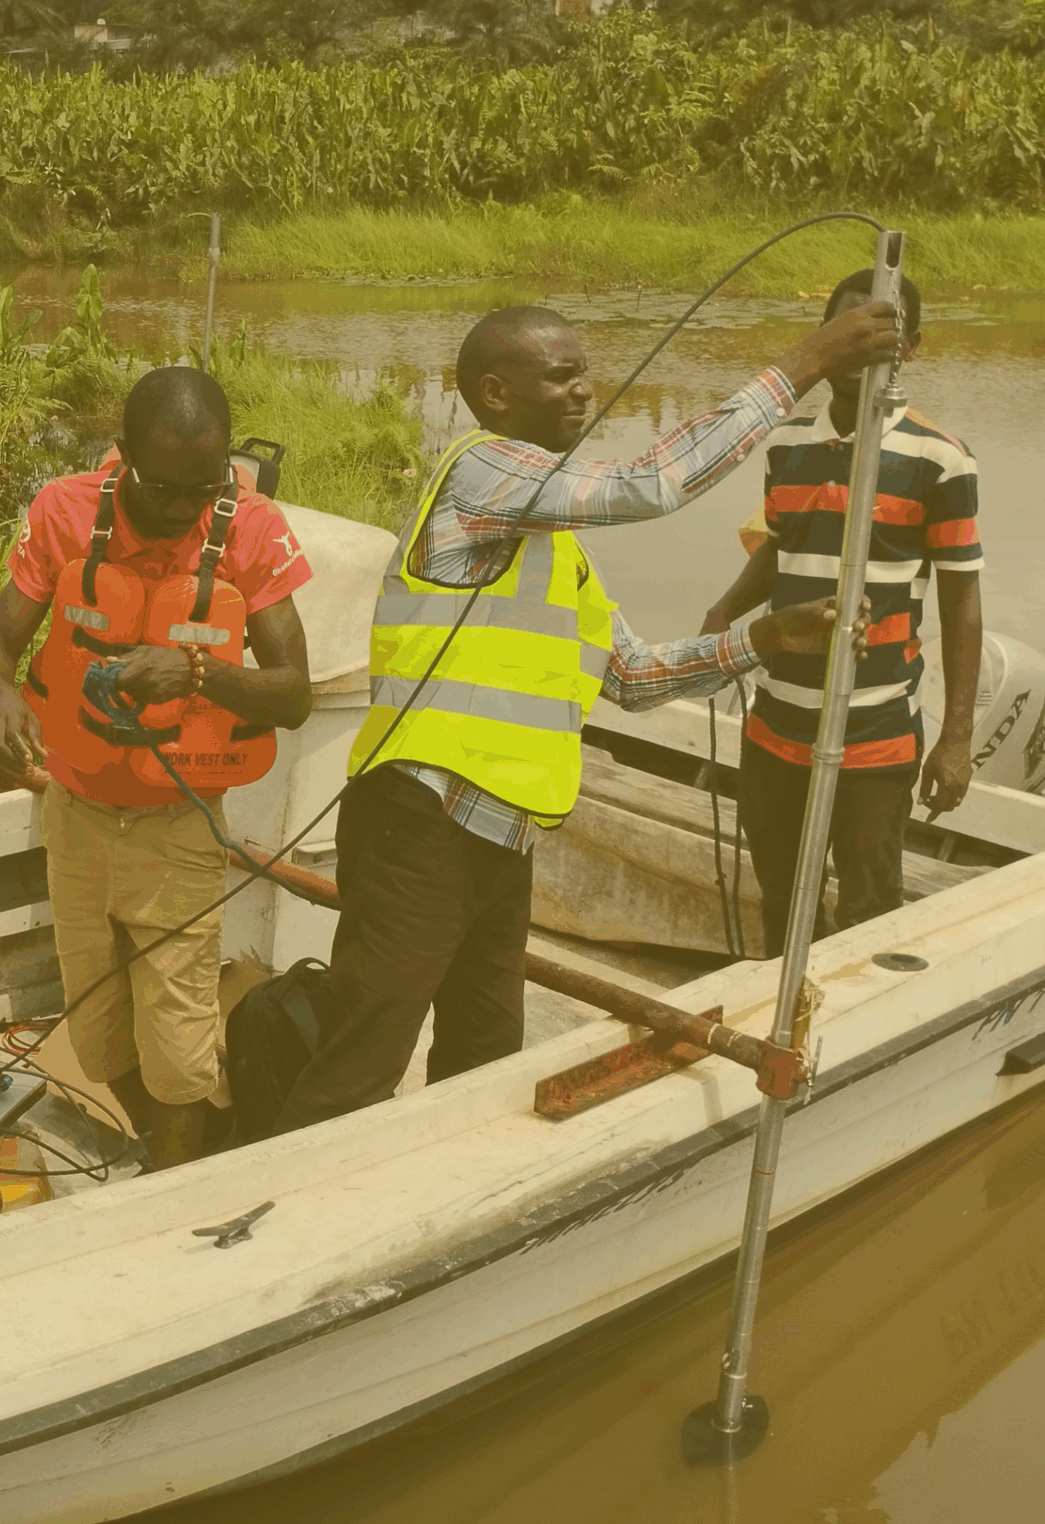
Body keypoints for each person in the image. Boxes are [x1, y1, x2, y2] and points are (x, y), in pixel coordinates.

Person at [272, 299, 899, 1133]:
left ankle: (455, 1212)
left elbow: (634, 677)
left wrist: (763, 638)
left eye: (584, 374)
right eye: (561, 377)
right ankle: (282, 1221)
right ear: (495, 394)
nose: (583, 393)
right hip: (417, 824)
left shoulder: (555, 550)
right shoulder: (480, 474)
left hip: (501, 837)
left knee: (482, 1059)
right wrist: (807, 363)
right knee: (362, 1059)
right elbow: (654, 483)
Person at [0, 368, 315, 1169]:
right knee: (92, 1030)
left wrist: (197, 674)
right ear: (123, 461)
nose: (183, 510)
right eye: (163, 490)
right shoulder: (63, 511)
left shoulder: (252, 531)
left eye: (206, 488)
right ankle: (177, 1148)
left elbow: (292, 694)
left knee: (180, 1039)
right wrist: (4, 700)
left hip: (178, 828)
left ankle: (173, 1179)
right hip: (76, 812)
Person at [702, 270, 982, 955]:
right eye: (844, 335)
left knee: (868, 907)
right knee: (778, 896)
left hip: (876, 725)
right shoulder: (787, 443)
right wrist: (725, 609)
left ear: (908, 347)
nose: (859, 351)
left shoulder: (940, 460)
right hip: (776, 722)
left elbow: (962, 598)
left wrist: (955, 740)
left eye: (878, 335)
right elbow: (780, 544)